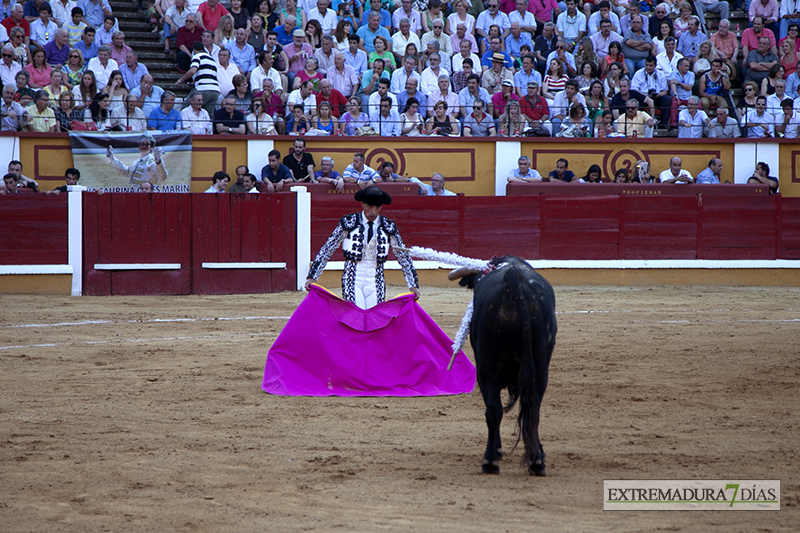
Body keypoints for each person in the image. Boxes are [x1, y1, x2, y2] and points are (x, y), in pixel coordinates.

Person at [305, 185, 420, 309]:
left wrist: (413, 285)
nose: (373, 212)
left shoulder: (388, 226)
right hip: (352, 277)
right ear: (362, 204)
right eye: (370, 207)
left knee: (375, 319)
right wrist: (312, 277)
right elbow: (328, 248)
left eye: (378, 208)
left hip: (376, 280)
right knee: (356, 315)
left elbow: (403, 256)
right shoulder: (349, 223)